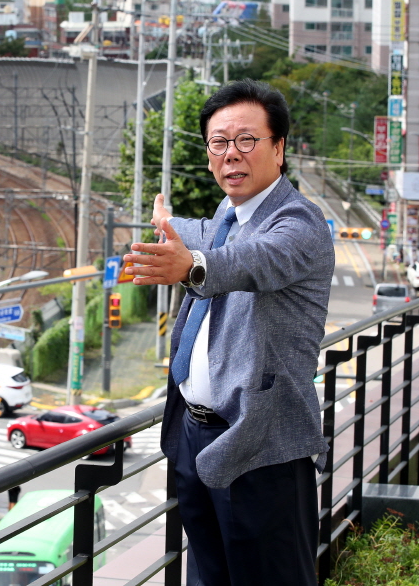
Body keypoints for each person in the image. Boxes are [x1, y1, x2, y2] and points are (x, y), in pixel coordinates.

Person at [122, 79, 334, 586]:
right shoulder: (228, 214)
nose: (230, 154)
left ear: (278, 149)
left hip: (262, 443)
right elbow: (206, 233)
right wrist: (169, 224)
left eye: (246, 140)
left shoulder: (299, 223)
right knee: (207, 577)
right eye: (218, 142)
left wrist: (192, 265)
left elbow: (250, 261)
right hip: (196, 437)